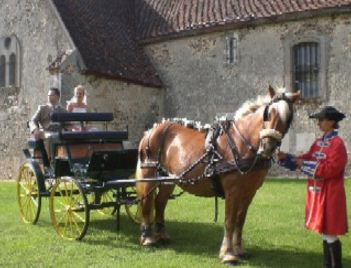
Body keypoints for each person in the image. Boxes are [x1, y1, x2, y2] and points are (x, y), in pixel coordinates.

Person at [278, 106, 348, 268]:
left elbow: (330, 169)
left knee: (330, 232)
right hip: (318, 193)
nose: (318, 123)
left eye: (321, 120)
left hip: (330, 194)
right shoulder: (318, 142)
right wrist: (286, 158)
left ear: (331, 122)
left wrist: (304, 163)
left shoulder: (338, 144)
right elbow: (306, 158)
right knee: (324, 232)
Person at [29, 87, 66, 167]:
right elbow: (32, 120)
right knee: (51, 137)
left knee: (67, 136)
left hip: (59, 131)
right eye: (48, 95)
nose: (49, 96)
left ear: (58, 97)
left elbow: (68, 123)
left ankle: (66, 161)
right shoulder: (42, 108)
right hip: (45, 131)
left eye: (51, 95)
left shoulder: (63, 110)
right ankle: (51, 161)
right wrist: (35, 129)